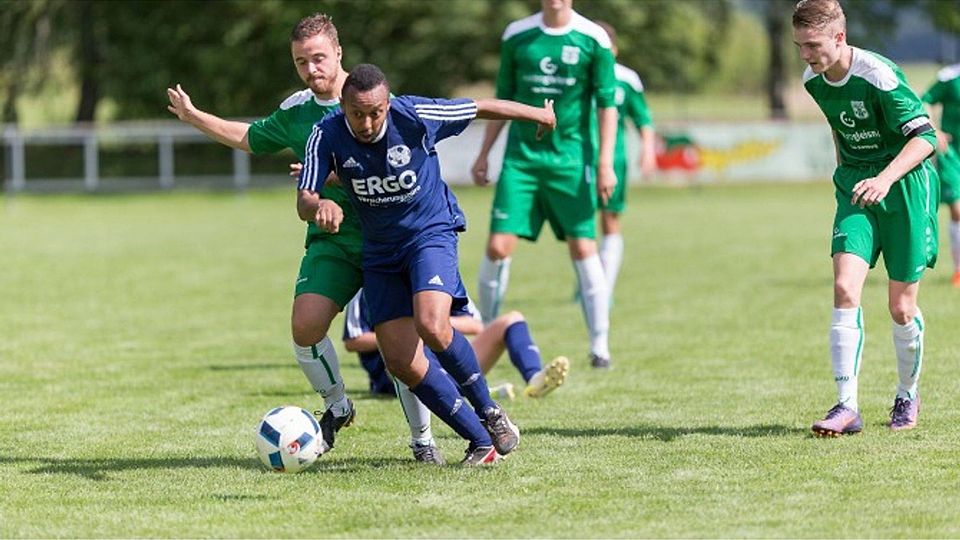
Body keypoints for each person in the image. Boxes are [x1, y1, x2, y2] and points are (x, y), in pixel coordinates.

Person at [299, 63, 556, 465]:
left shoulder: (415, 114)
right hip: (381, 253)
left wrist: (539, 114)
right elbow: (305, 197)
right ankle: (481, 443)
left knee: (432, 324)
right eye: (357, 114)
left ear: (388, 104)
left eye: (375, 112)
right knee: (401, 360)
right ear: (343, 107)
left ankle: (490, 411)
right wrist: (321, 204)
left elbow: (480, 106)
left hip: (429, 235)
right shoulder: (325, 133)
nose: (366, 123)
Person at [166, 13, 360, 453]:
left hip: (386, 234)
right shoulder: (298, 110)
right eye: (301, 62)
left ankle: (422, 439)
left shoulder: (368, 95)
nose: (312, 70)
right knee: (305, 327)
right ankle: (337, 406)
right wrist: (196, 117)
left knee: (398, 343)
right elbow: (250, 137)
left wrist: (330, 178)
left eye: (319, 59)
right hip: (332, 240)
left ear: (338, 54)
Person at [792, 0, 940, 436]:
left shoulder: (878, 74)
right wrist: (849, 179)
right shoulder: (812, 81)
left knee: (900, 306)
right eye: (799, 45)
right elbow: (840, 130)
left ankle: (906, 393)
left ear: (839, 37)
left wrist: (886, 178)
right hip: (857, 187)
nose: (806, 54)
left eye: (813, 45)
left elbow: (925, 137)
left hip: (905, 183)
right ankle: (846, 406)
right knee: (843, 287)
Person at [471, 0, 619, 369]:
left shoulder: (593, 38)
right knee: (497, 246)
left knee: (583, 247)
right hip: (521, 161)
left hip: (571, 162)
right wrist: (484, 152)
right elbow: (501, 99)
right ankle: (486, 334)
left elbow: (606, 105)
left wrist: (604, 163)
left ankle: (599, 347)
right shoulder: (518, 36)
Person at [342, 289, 570, 464]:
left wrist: (432, 321)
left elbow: (474, 323)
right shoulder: (373, 279)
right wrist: (402, 333)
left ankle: (532, 377)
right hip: (401, 368)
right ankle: (481, 406)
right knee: (412, 352)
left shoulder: (432, 264)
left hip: (447, 352)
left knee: (511, 319)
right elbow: (353, 340)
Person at [593, 20, 657, 299]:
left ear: (615, 49)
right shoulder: (579, 74)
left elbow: (642, 118)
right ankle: (590, 277)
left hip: (613, 160)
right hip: (576, 158)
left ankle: (603, 286)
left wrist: (648, 150)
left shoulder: (626, 79)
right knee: (579, 224)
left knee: (609, 219)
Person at [921, 66, 960, 287]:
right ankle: (959, 271)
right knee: (958, 210)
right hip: (952, 153)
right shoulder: (949, 77)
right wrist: (933, 129)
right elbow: (923, 100)